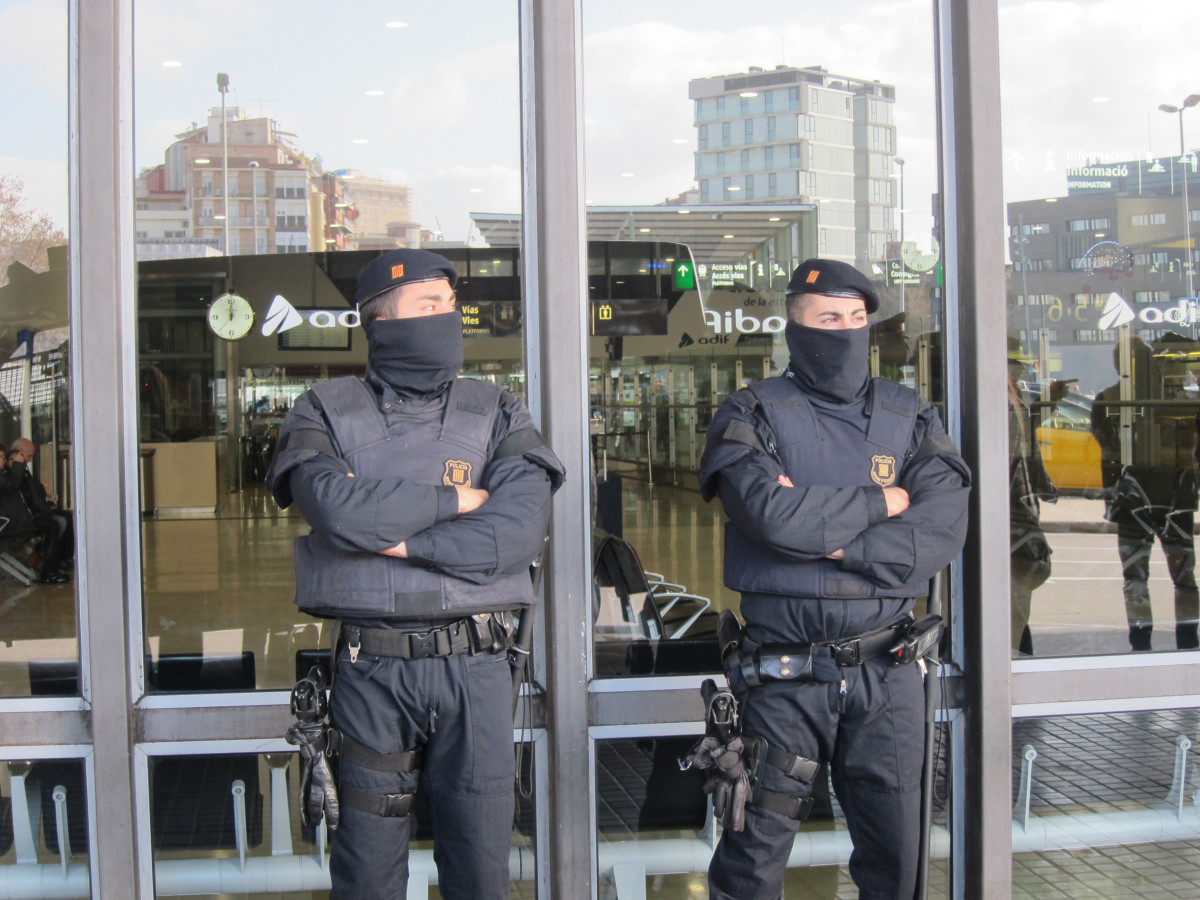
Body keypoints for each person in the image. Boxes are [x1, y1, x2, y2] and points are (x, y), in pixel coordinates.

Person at [265, 248, 564, 899]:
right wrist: (455, 501)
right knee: (366, 875)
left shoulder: (497, 411)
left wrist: (389, 538)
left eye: (451, 307)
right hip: (371, 673)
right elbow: (337, 511)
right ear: (379, 319)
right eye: (429, 306)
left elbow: (513, 534)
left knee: (482, 873)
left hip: (478, 668)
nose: (448, 319)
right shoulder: (320, 409)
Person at [696, 258, 970, 900]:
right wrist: (884, 501)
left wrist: (829, 542)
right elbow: (770, 515)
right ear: (796, 328)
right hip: (783, 679)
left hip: (890, 673)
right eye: (828, 319)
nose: (845, 332)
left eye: (856, 319)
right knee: (750, 860)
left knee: (897, 860)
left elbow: (939, 534)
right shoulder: (750, 412)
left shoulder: (913, 417)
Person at [1091, 337, 1199, 651]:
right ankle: (1187, 641)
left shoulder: (1109, 399)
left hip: (1141, 500)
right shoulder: (1180, 398)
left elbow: (1108, 453)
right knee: (1182, 578)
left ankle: (1142, 643)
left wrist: (1111, 496)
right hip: (1171, 498)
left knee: (1138, 580)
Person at [1007, 361, 1057, 656]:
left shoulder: (1010, 402)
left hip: (1011, 515)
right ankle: (1020, 661)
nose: (1022, 375)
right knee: (1015, 608)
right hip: (1015, 514)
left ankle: (1018, 662)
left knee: (1013, 608)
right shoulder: (1011, 402)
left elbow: (1020, 459)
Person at [6, 437, 73, 584]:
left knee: (65, 517)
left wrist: (45, 503)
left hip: (28, 515)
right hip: (18, 522)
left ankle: (53, 560)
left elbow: (33, 493)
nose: (29, 460)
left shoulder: (20, 471)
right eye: (28, 456)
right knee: (56, 524)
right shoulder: (14, 472)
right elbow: (18, 490)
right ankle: (47, 566)